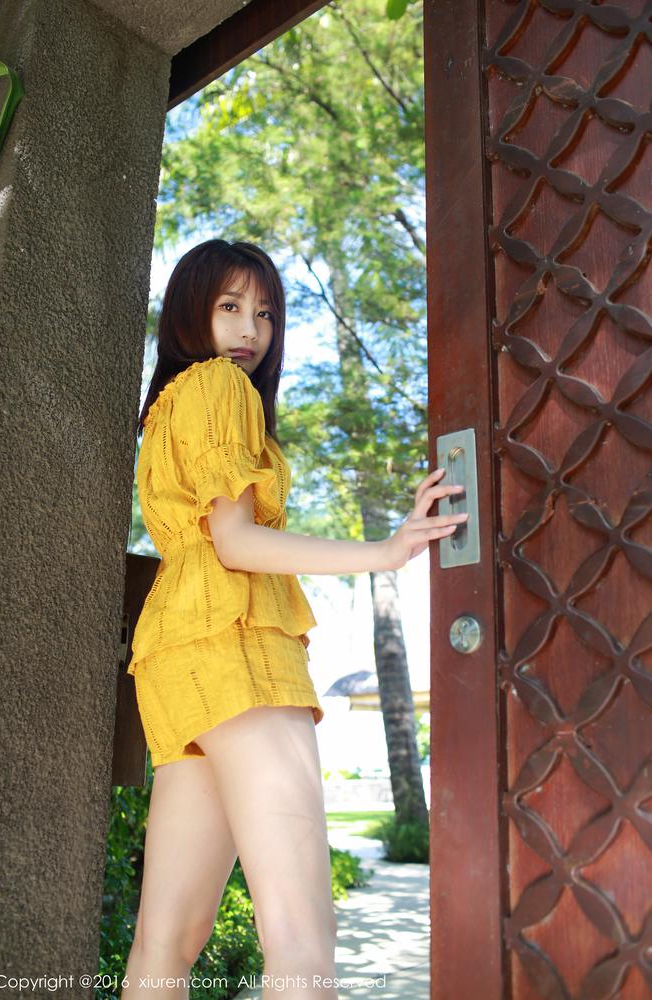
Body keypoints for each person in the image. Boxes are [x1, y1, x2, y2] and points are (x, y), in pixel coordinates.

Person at [121, 239, 468, 1000]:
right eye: (230, 307)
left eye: (266, 313)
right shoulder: (221, 387)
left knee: (165, 943)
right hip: (237, 647)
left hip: (178, 660)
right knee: (303, 939)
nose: (251, 329)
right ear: (190, 312)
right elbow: (237, 544)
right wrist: (386, 551)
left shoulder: (166, 409)